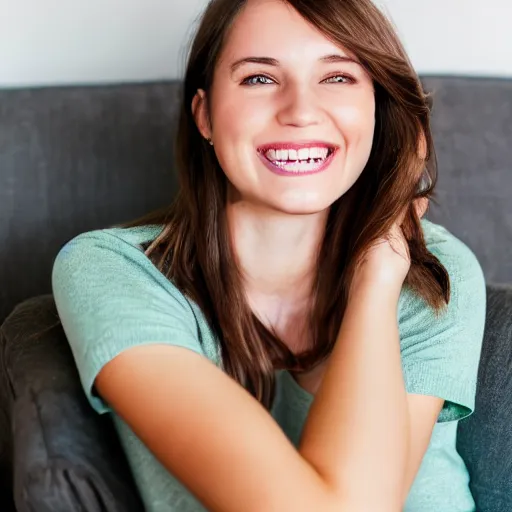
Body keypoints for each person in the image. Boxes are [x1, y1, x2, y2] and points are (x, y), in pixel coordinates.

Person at [51, 0, 486, 510]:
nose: (300, 111)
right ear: (205, 115)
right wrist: (377, 282)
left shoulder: (432, 272)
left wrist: (380, 276)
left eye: (339, 77)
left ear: (376, 107)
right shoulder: (115, 271)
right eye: (259, 78)